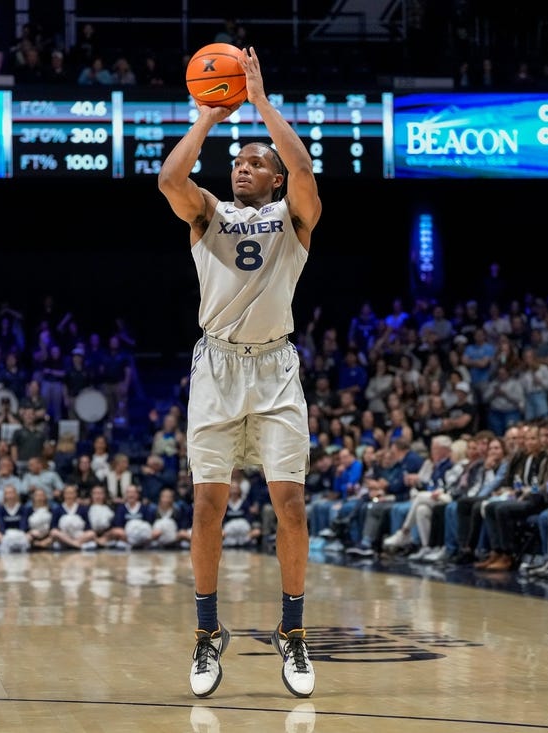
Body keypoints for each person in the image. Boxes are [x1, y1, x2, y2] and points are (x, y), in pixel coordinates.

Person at [157, 45, 320, 699]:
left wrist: (258, 103)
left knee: (292, 507)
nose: (244, 166)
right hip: (218, 366)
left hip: (277, 366)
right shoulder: (208, 214)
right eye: (239, 159)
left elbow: (306, 168)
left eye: (257, 162)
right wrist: (208, 116)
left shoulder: (293, 217)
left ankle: (293, 630)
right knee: (205, 507)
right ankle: (205, 634)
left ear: (274, 178)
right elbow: (170, 180)